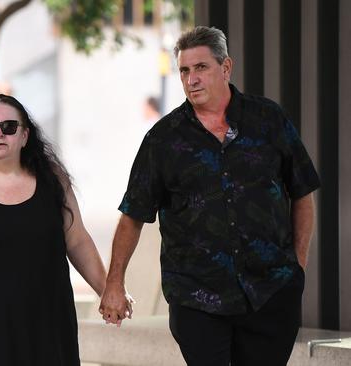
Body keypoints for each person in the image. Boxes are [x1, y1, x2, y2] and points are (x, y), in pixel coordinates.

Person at [100, 26, 320, 366]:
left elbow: (302, 192)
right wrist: (114, 282)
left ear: (226, 68)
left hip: (270, 293)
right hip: (197, 300)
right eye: (184, 71)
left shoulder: (268, 120)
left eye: (201, 67)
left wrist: (297, 269)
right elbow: (133, 214)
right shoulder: (163, 140)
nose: (192, 79)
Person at [0, 94, 108, 365]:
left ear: (25, 135)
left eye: (8, 127)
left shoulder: (53, 179)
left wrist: (107, 290)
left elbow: (77, 239)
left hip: (50, 315)